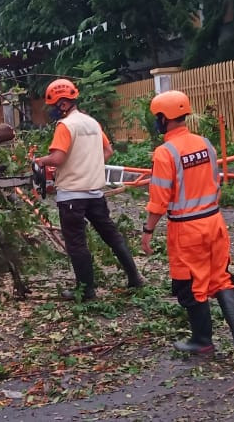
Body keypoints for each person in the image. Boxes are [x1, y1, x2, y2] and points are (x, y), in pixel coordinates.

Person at [139, 90, 234, 356]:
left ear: (163, 119)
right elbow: (216, 181)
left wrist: (147, 231)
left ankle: (202, 340)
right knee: (221, 277)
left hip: (186, 228)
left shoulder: (165, 152)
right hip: (214, 222)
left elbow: (159, 199)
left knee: (191, 283)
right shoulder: (205, 144)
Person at [33, 78, 145, 301]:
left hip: (72, 194)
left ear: (63, 104)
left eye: (54, 105)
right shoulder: (92, 123)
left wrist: (41, 161)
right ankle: (134, 277)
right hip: (95, 192)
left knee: (76, 242)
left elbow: (58, 157)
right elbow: (107, 151)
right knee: (111, 235)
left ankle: (86, 291)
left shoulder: (66, 126)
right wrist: (88, 164)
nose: (52, 111)